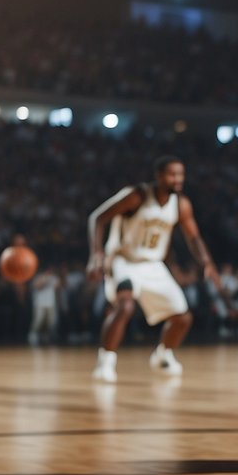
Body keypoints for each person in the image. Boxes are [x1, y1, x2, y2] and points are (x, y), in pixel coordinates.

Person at [86, 156, 222, 382]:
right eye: (172, 174)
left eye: (181, 174)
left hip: (153, 265)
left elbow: (194, 237)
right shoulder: (136, 195)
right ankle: (105, 363)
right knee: (125, 306)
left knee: (182, 317)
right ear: (158, 176)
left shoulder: (180, 204)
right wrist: (96, 254)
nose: (177, 179)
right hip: (123, 261)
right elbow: (97, 218)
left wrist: (206, 262)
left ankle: (162, 355)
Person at [28, 266, 62, 346]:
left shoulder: (54, 278)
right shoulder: (39, 277)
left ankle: (46, 337)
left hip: (50, 303)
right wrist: (45, 280)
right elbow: (37, 286)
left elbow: (58, 288)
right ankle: (33, 335)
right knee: (38, 320)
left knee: (50, 321)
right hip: (40, 303)